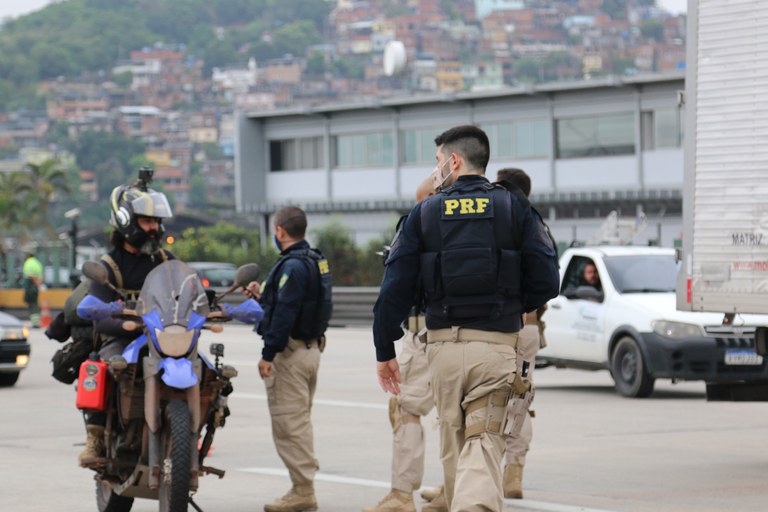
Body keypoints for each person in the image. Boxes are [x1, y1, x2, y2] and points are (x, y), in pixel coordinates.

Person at [373, 125, 560, 511]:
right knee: (485, 438)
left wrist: (384, 349)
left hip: (440, 348)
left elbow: (393, 289)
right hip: (495, 347)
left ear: (453, 160)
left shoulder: (423, 214)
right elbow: (547, 279)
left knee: (454, 443)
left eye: (438, 161)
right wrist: (513, 303)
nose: (436, 169)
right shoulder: (514, 207)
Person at [78, 172, 174, 466]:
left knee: (208, 370)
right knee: (105, 365)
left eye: (156, 222)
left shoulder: (166, 261)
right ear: (126, 221)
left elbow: (186, 291)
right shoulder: (108, 266)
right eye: (147, 221)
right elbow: (99, 319)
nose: (154, 228)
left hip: (163, 336)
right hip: (121, 336)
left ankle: (192, 426)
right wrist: (127, 324)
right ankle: (95, 436)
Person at [365, 176, 448, 512]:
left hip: (427, 331)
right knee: (457, 416)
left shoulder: (424, 226)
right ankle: (454, 490)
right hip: (479, 334)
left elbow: (395, 289)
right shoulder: (490, 218)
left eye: (420, 202)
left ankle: (401, 495)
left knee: (407, 409)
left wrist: (383, 346)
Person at [248, 205, 332, 512]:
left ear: (280, 231)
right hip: (311, 350)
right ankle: (303, 483)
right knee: (299, 421)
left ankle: (303, 491)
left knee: (290, 424)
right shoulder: (314, 260)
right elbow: (295, 303)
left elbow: (285, 314)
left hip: (291, 354)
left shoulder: (291, 267)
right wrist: (262, 296)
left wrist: (267, 354)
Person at [495, 167, 553, 499]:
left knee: (488, 399)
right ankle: (513, 473)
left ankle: (481, 475)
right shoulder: (536, 223)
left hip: (503, 326)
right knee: (521, 397)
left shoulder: (501, 223)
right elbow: (549, 278)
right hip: (529, 325)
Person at [22, 250, 43, 328]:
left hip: (30, 287)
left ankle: (35, 323)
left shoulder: (28, 262)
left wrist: (35, 283)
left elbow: (31, 276)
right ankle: (36, 322)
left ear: (28, 256)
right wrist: (38, 284)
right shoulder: (37, 263)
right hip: (35, 287)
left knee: (32, 304)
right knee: (35, 303)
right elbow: (41, 275)